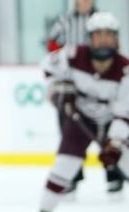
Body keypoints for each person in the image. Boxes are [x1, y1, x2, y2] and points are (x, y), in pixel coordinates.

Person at [27, 12, 129, 212]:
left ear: (116, 39)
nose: (103, 40)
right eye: (98, 35)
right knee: (63, 168)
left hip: (112, 123)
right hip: (79, 120)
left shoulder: (125, 70)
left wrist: (114, 143)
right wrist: (57, 89)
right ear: (89, 38)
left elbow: (125, 113)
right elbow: (47, 67)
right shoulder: (72, 55)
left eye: (108, 35)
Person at [46, 0, 120, 194]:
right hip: (73, 82)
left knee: (110, 128)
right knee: (70, 131)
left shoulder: (103, 18)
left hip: (99, 79)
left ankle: (114, 172)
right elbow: (52, 46)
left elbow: (113, 46)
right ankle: (72, 176)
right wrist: (59, 78)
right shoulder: (65, 20)